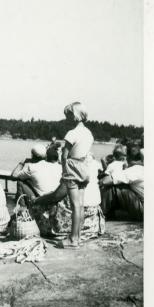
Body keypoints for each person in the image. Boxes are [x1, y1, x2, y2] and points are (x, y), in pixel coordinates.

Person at [29, 153, 105, 240]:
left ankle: (59, 231)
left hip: (78, 216)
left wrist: (38, 200)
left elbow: (57, 195)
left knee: (40, 205)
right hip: (93, 219)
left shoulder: (72, 165)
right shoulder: (93, 162)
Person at [58, 102, 94, 248]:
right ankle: (77, 236)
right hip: (84, 168)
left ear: (75, 116)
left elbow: (64, 155)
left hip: (72, 168)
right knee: (80, 205)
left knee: (74, 205)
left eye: (68, 115)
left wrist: (64, 171)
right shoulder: (88, 133)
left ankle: (73, 239)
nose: (66, 119)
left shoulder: (71, 133)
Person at [100, 147, 143, 221]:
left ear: (127, 158)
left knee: (114, 188)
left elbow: (104, 181)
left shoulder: (135, 169)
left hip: (145, 212)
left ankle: (101, 214)